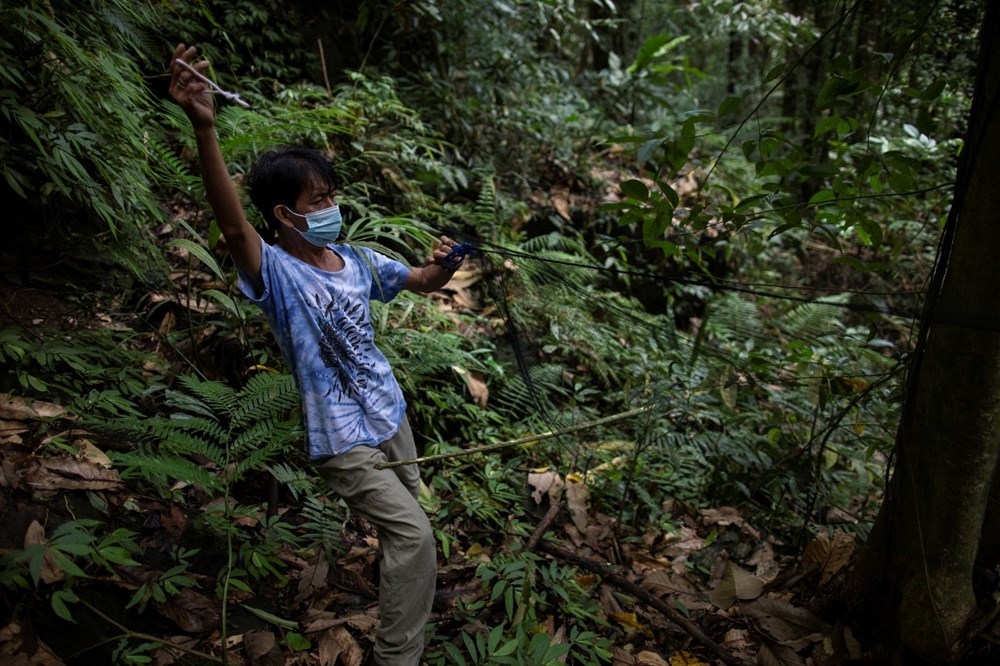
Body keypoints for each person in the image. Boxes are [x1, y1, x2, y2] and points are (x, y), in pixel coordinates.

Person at [168, 43, 463, 665]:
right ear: (284, 215)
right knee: (412, 533)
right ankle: (397, 656)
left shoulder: (354, 259)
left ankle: (413, 593)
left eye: (332, 195)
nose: (331, 208)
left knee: (408, 530)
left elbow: (419, 281)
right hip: (341, 434)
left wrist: (444, 263)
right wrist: (205, 127)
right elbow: (230, 226)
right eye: (317, 202)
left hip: (389, 412)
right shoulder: (274, 271)